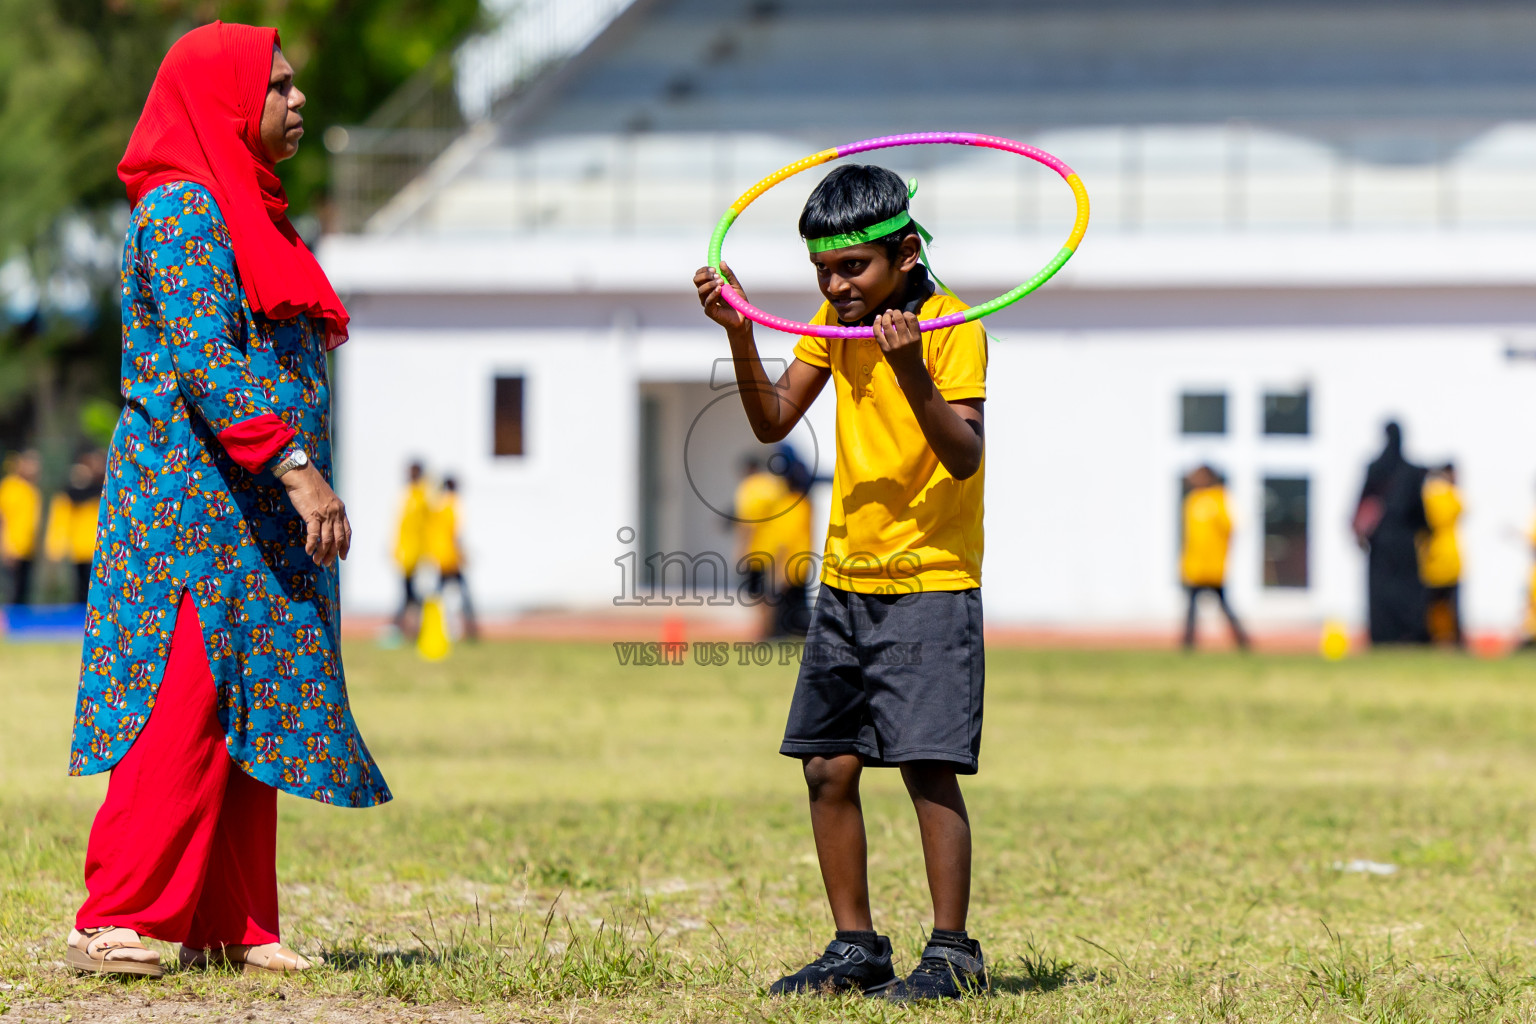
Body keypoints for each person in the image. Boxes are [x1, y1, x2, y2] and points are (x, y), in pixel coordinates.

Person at [64, 23, 390, 979]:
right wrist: (298, 468)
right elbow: (212, 361)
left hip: (245, 508)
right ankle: (117, 912)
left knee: (252, 695)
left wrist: (287, 479)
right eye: (278, 89)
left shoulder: (249, 208)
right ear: (222, 100)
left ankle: (234, 921)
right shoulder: (181, 212)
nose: (298, 104)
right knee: (186, 697)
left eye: (295, 87)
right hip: (187, 508)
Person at [694, 163, 990, 1000]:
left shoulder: (950, 324)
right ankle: (856, 945)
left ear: (903, 253)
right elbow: (772, 419)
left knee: (926, 765)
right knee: (826, 765)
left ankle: (952, 952)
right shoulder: (834, 321)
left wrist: (909, 373)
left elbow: (964, 455)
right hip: (847, 579)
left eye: (852, 268)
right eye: (822, 270)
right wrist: (741, 331)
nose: (834, 285)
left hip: (930, 578)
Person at [1353, 422, 1430, 645]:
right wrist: (1425, 531)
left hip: (1380, 542)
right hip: (1405, 541)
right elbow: (1419, 510)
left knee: (1381, 592)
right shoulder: (1412, 471)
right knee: (1408, 591)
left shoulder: (1375, 468)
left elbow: (1362, 501)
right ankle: (1409, 635)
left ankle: (1382, 634)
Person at [1180, 465, 1249, 650]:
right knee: (1190, 610)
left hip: (1214, 566)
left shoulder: (1220, 499)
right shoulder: (1192, 501)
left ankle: (1242, 642)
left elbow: (1231, 526)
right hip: (1195, 567)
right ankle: (1187, 645)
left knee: (1225, 607)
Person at [733, 455, 790, 639]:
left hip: (757, 548)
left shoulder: (749, 488)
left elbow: (747, 522)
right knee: (771, 591)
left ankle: (764, 631)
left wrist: (741, 548)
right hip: (778, 545)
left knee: (757, 593)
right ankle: (772, 629)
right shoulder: (775, 485)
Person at [45, 453, 106, 604]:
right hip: (78, 548)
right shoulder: (67, 496)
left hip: (97, 547)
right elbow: (60, 522)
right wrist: (56, 547)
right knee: (80, 586)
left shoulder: (99, 492)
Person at [1418, 463, 1464, 647]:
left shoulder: (1428, 496)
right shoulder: (1453, 496)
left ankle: (1435, 639)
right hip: (1451, 556)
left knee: (1433, 605)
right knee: (1451, 605)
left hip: (1431, 555)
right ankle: (1452, 640)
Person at [427, 475, 478, 641]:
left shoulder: (438, 504)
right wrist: (462, 554)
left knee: (439, 593)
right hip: (450, 556)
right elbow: (455, 533)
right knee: (462, 592)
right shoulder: (452, 504)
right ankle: (468, 627)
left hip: (441, 555)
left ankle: (433, 626)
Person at [0, 449, 43, 606]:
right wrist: (6, 546)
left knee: (24, 590)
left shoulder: (32, 489)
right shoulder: (10, 487)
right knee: (11, 589)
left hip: (28, 548)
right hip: (12, 548)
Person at [392, 460, 430, 635]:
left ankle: (406, 629)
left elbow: (425, 527)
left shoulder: (422, 496)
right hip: (406, 554)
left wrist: (425, 553)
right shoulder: (410, 494)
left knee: (412, 595)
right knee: (409, 594)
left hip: (416, 555)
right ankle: (408, 630)